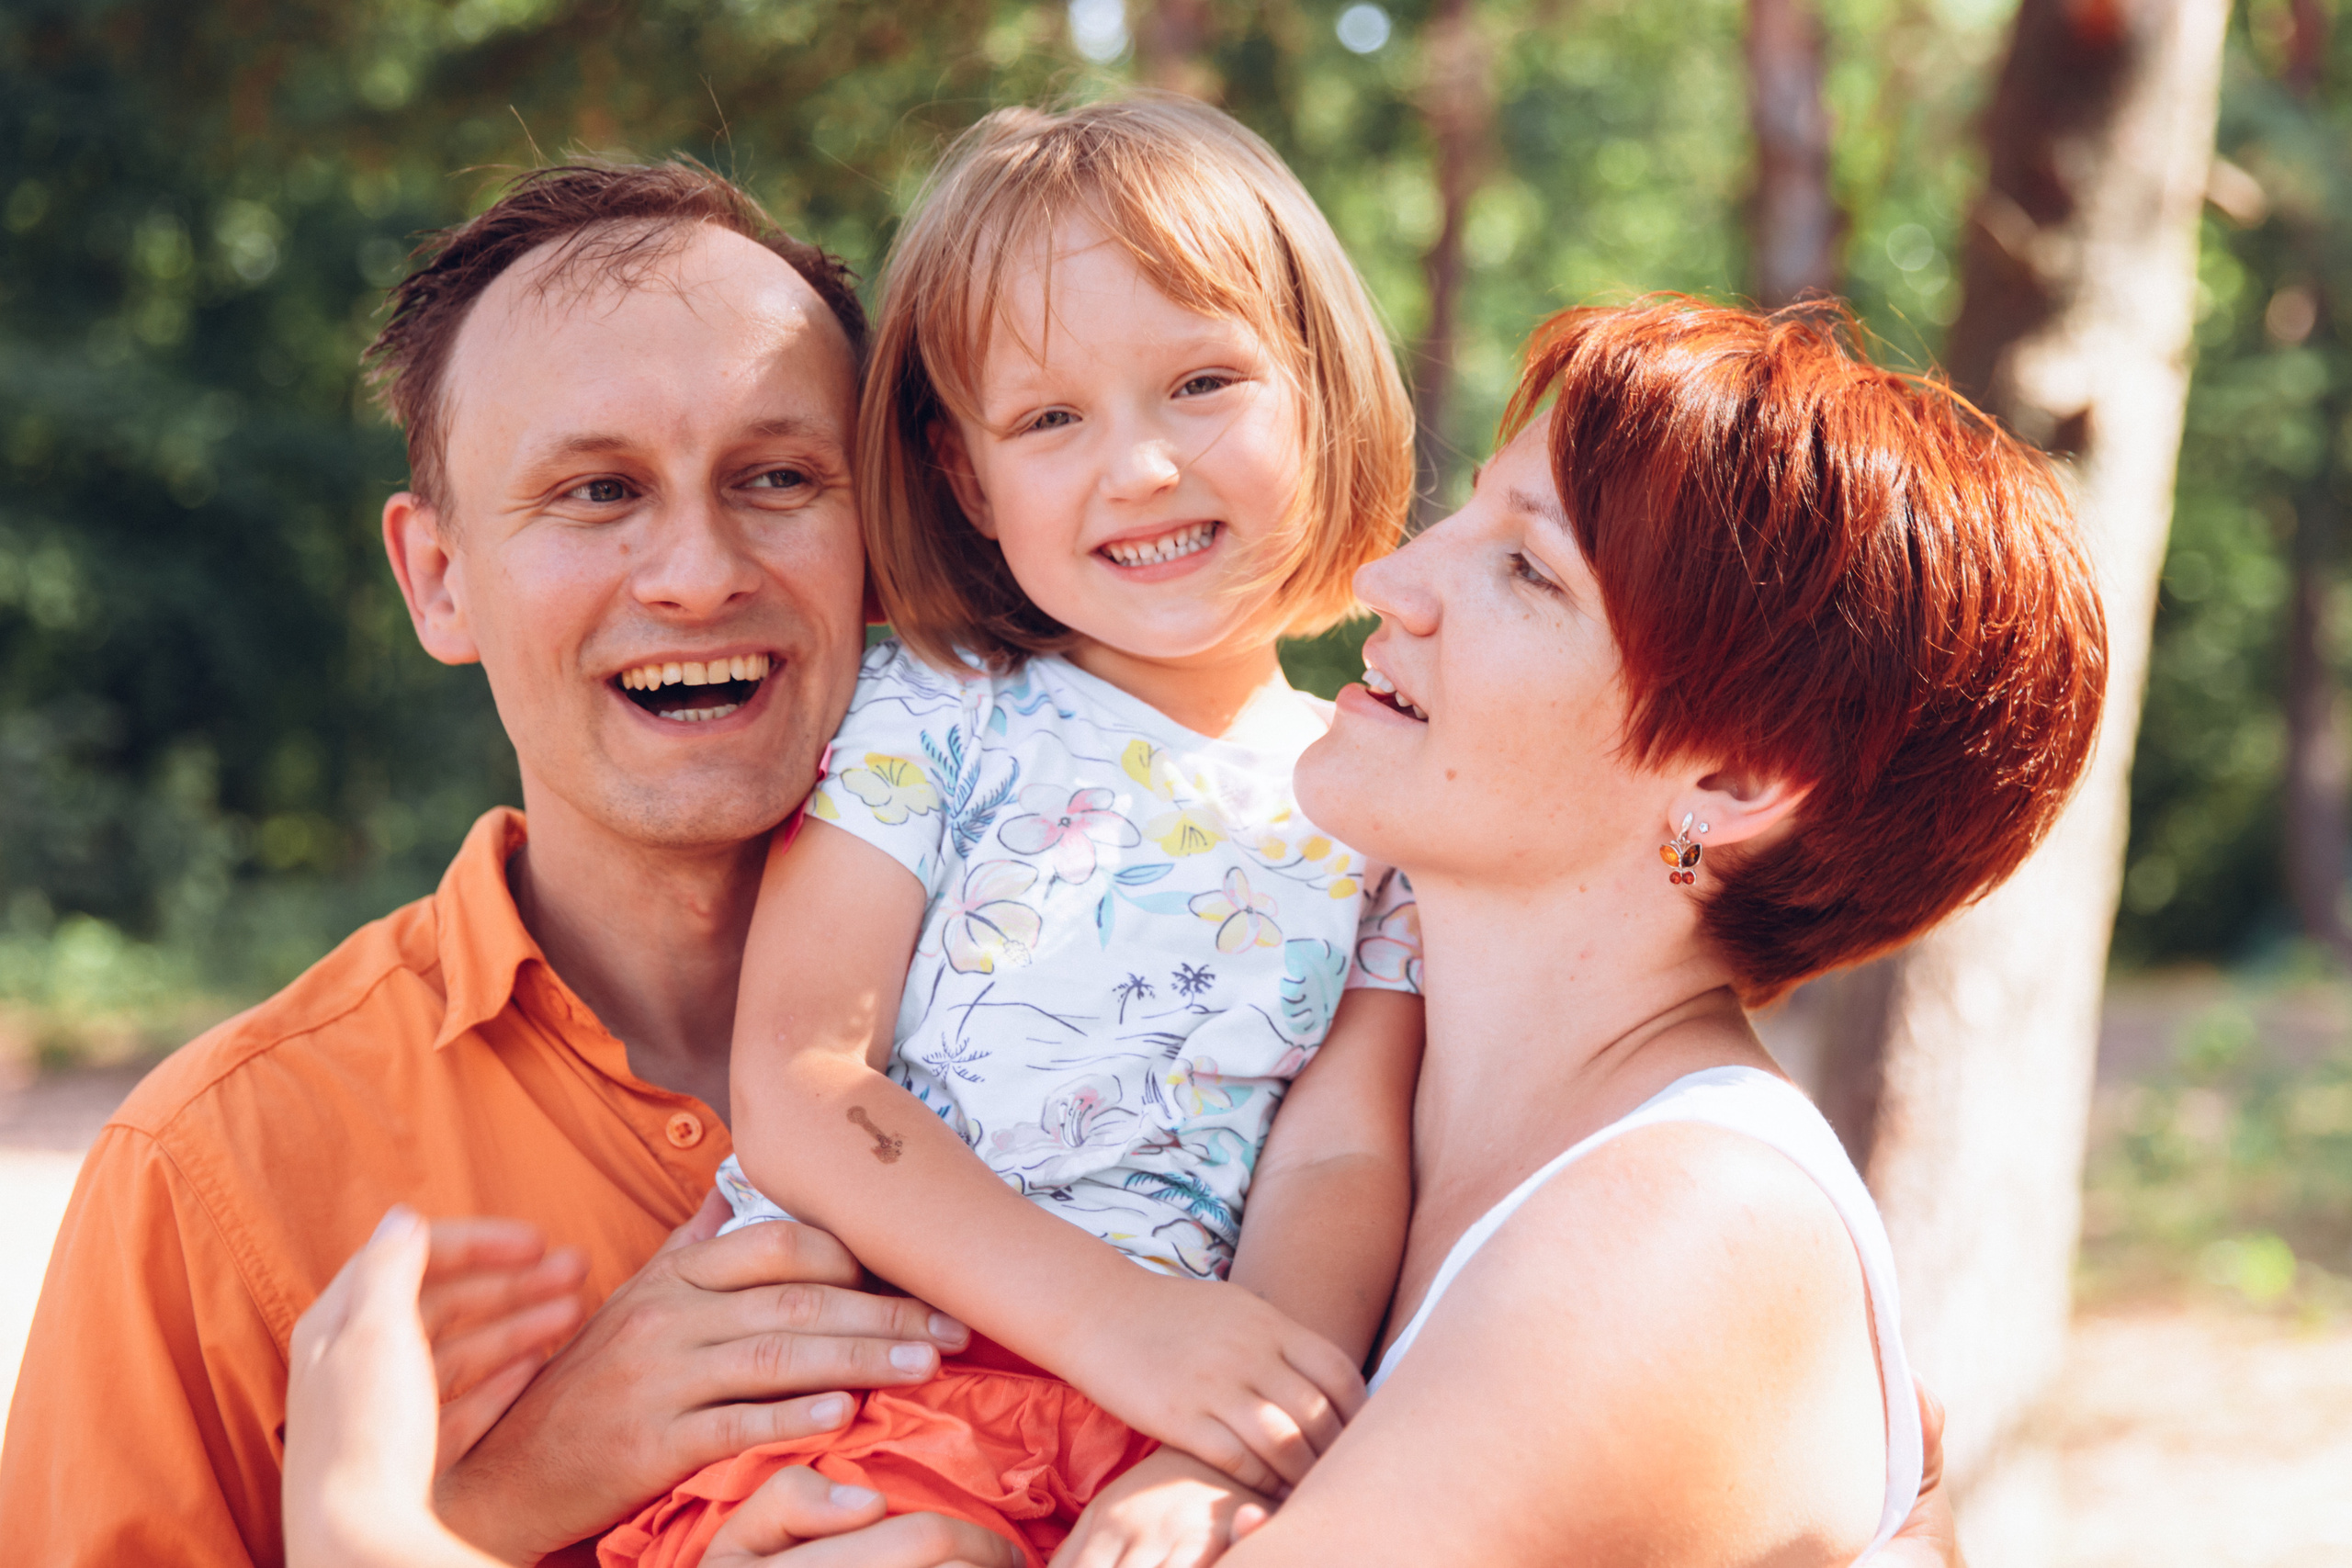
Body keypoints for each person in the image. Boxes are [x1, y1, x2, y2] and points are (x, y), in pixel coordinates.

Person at [275, 297, 2025, 1567]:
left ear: (1726, 780)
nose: (1398, 581)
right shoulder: (1384, 1159)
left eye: (1526, 570)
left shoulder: (1680, 1235)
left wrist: (383, 1534)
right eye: (1471, 512)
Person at [0, 162, 1016, 1568]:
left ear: (887, 541)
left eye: (777, 477)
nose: (696, 572)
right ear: (439, 578)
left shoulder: (1168, 999)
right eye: (597, 491)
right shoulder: (215, 1171)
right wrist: (506, 1498)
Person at [604, 100, 1425, 1568]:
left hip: (1159, 1420)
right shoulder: (936, 711)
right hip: (875, 1381)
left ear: (1319, 390)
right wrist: (1117, 1323)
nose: (1145, 468)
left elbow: (1338, 1165)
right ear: (969, 478)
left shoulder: (1375, 802)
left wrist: (1212, 1447)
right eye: (1053, 418)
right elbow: (800, 1080)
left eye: (1202, 383)